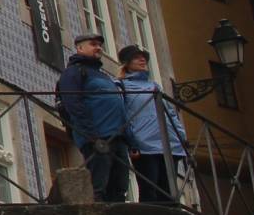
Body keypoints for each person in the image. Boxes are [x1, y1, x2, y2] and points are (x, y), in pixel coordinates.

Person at [56, 32, 130, 202]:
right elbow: (73, 103)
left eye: (99, 45)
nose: (98, 48)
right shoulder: (74, 72)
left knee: (120, 185)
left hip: (116, 136)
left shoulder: (102, 74)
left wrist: (128, 138)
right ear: (80, 48)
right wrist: (91, 135)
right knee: (99, 183)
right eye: (93, 44)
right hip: (97, 136)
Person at [116, 46, 188, 205]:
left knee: (169, 192)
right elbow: (122, 117)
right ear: (127, 63)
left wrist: (181, 136)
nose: (143, 60)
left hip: (169, 144)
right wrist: (132, 143)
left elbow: (170, 113)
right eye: (137, 57)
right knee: (149, 190)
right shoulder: (121, 86)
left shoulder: (154, 86)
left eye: (144, 57)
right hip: (144, 145)